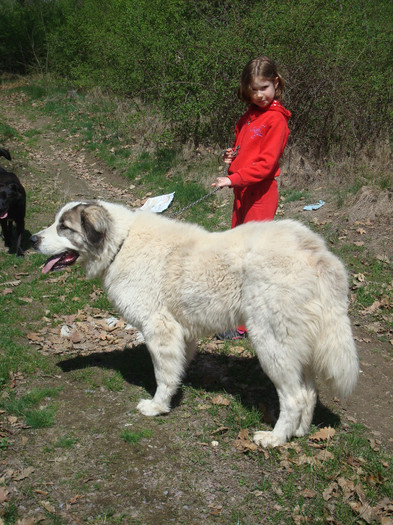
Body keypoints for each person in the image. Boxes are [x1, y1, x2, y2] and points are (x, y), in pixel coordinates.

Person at [212, 55, 291, 340]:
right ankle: (237, 312)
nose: (259, 95)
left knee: (252, 259)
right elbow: (244, 148)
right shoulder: (248, 117)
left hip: (260, 194)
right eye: (253, 90)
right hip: (242, 194)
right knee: (238, 252)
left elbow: (266, 165)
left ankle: (247, 324)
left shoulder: (277, 120)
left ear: (276, 83)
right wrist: (232, 157)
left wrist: (232, 177)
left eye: (264, 87)